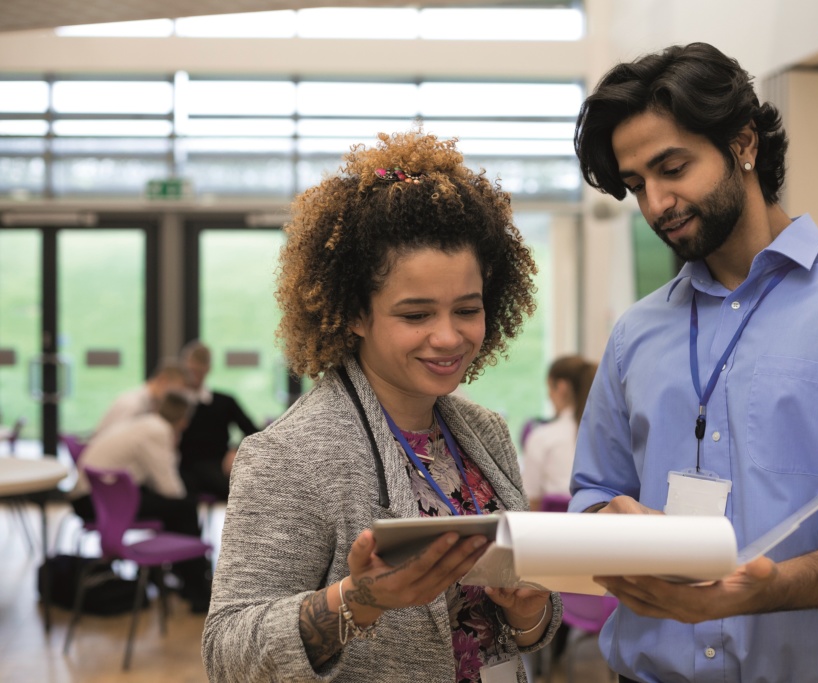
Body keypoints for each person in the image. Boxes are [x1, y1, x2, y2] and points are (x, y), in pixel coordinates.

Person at [569, 42, 818, 683]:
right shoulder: (635, 332)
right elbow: (594, 493)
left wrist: (766, 588)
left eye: (673, 168)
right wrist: (609, 518)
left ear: (743, 142)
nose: (657, 204)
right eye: (637, 185)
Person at [202, 131, 562, 683]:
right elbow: (227, 652)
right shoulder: (290, 455)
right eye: (416, 315)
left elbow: (521, 627)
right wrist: (356, 603)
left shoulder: (485, 434)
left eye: (467, 309)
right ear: (355, 315)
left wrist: (527, 609)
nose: (448, 337)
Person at [70, 391, 211, 612]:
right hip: (99, 502)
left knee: (176, 506)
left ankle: (180, 578)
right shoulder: (158, 431)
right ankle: (198, 590)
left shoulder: (145, 423)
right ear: (184, 421)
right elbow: (170, 488)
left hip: (92, 497)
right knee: (184, 507)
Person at [177, 340, 260, 500]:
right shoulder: (176, 403)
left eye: (198, 370)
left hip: (215, 465)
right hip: (182, 467)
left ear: (207, 369)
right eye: (191, 370)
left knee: (243, 491)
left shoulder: (224, 401)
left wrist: (235, 450)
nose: (194, 376)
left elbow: (253, 431)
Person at [521, 355, 596, 510]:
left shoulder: (542, 437)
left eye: (549, 387)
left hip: (553, 530)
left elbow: (530, 500)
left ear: (561, 387)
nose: (548, 395)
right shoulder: (607, 435)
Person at [92, 359, 186, 437]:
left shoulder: (150, 404)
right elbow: (116, 441)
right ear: (163, 380)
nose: (173, 399)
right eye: (174, 392)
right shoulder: (133, 403)